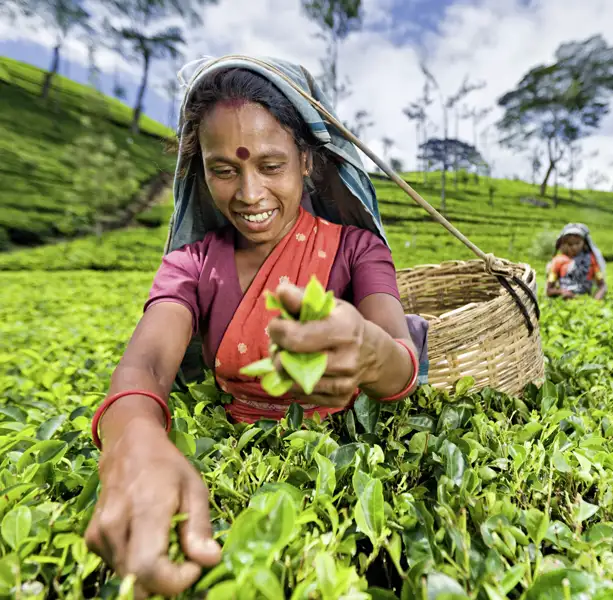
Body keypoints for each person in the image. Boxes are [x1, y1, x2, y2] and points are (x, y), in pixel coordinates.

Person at [84, 57, 427, 598]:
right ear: (201, 174)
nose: (249, 194)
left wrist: (370, 352)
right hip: (236, 447)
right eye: (225, 170)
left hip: (345, 456)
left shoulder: (358, 250)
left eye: (271, 165)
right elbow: (147, 362)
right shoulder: (192, 265)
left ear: (307, 161)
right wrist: (135, 437)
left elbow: (401, 360)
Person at [546, 223, 607, 300]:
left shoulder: (591, 260)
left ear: (584, 243)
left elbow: (602, 286)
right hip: (565, 301)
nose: (574, 247)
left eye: (577, 243)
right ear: (564, 244)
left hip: (585, 300)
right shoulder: (558, 261)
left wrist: (596, 299)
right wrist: (562, 292)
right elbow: (549, 290)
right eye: (570, 244)